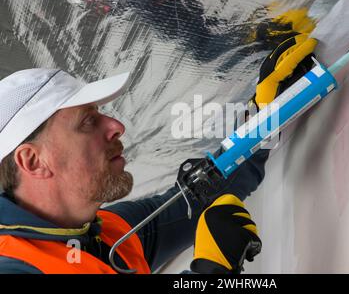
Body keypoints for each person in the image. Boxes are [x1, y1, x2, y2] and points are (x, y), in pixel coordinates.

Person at [0, 33, 316, 274]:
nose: (116, 126)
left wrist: (264, 115)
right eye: (88, 122)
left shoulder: (109, 233)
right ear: (33, 161)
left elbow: (202, 194)